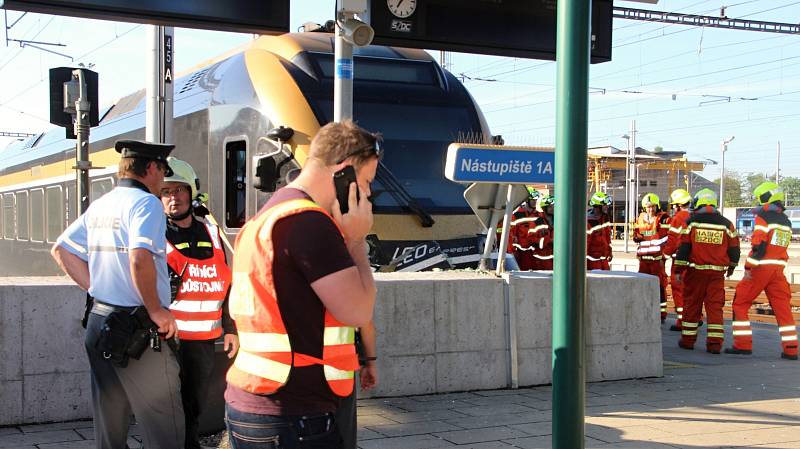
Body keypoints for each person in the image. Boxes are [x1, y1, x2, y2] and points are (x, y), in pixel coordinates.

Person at [224, 120, 379, 448]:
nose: (366, 195)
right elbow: (357, 310)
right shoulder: (309, 224)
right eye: (365, 182)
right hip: (293, 415)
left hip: (253, 403)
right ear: (345, 172)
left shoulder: (266, 217)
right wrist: (355, 241)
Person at [50, 140, 184, 449]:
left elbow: (62, 250)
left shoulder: (103, 203)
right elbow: (140, 257)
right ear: (150, 168)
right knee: (163, 424)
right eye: (163, 172)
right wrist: (157, 311)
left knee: (109, 422)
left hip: (100, 321)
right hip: (137, 330)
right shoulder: (146, 203)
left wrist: (97, 288)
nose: (163, 182)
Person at [160, 157, 239, 449]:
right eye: (166, 192)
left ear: (192, 192)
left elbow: (226, 284)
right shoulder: (156, 235)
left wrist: (231, 328)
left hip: (204, 341)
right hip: (169, 339)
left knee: (194, 403)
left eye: (179, 190)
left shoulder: (212, 234)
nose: (173, 197)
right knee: (169, 405)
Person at [726, 182, 798, 360]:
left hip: (761, 268)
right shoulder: (786, 221)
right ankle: (791, 349)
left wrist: (749, 266)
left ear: (765, 198)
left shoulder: (763, 217)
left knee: (740, 303)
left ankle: (742, 345)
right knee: (783, 309)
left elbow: (759, 244)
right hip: (778, 269)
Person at [674, 189, 740, 354]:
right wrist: (731, 267)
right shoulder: (727, 224)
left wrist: (678, 269)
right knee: (715, 309)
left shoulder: (691, 222)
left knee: (691, 307)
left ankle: (688, 341)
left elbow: (684, 248)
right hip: (717, 274)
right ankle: (715, 344)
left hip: (695, 273)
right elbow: (734, 249)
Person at [336, 321, 378, 449]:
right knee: (341, 434)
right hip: (336, 373)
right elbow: (365, 322)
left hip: (284, 372)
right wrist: (368, 362)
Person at [634, 193, 671, 322]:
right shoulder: (639, 219)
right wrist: (636, 237)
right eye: (648, 207)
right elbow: (637, 233)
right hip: (644, 260)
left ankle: (661, 314)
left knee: (660, 286)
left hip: (657, 260)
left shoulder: (663, 219)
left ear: (657, 206)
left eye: (653, 207)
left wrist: (664, 256)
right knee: (642, 286)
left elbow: (667, 237)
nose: (650, 209)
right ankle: (643, 310)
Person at [663, 188, 693, 331]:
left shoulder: (678, 218)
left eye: (674, 205)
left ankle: (682, 320)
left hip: (679, 259)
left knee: (678, 289)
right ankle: (695, 317)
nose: (674, 208)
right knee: (691, 290)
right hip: (693, 260)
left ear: (678, 205)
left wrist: (665, 255)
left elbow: (673, 240)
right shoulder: (694, 216)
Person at [508, 187, 539, 270]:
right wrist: (513, 252)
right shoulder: (517, 215)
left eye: (536, 200)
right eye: (532, 200)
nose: (535, 202)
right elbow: (512, 235)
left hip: (537, 252)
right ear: (526, 200)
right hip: (522, 253)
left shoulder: (539, 215)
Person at [586, 191, 613, 270]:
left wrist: (609, 252)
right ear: (598, 206)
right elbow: (585, 243)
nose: (607, 207)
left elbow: (607, 238)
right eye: (605, 205)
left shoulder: (605, 218)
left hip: (603, 259)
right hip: (592, 261)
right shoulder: (588, 221)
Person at [530, 194, 555, 270]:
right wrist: (548, 241)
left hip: (557, 257)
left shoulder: (559, 222)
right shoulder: (537, 222)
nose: (554, 208)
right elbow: (531, 240)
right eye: (551, 206)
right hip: (542, 258)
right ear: (544, 208)